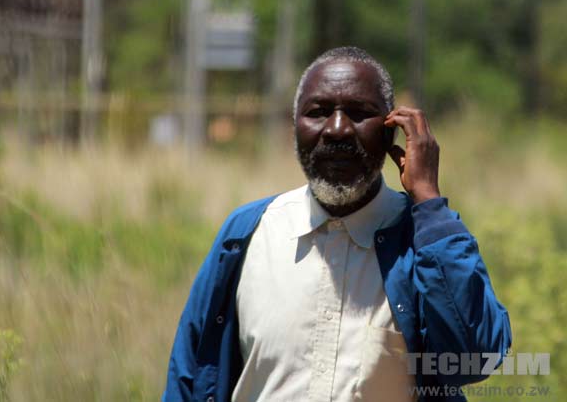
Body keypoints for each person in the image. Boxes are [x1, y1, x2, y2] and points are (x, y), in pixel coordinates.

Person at [162, 46, 512, 402]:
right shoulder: (246, 235)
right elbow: (188, 379)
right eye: (318, 112)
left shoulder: (423, 240)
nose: (338, 129)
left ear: (392, 131)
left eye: (360, 114)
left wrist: (428, 199)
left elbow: (475, 358)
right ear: (294, 125)